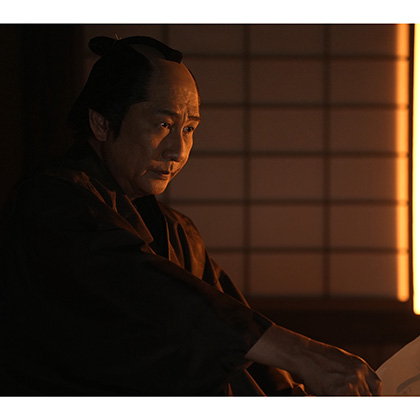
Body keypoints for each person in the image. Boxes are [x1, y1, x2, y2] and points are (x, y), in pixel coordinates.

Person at [0, 35, 381, 396]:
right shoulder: (49, 204)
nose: (178, 150)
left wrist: (287, 393)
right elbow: (152, 293)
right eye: (163, 124)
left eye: (189, 128)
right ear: (101, 123)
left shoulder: (177, 231)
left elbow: (234, 326)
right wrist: (303, 355)